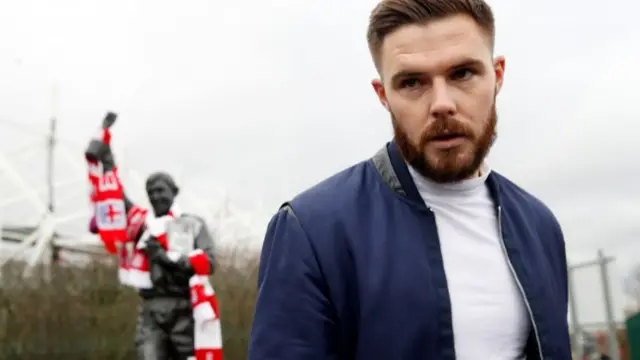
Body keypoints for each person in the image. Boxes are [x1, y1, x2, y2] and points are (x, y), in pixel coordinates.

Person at [248, 0, 571, 359]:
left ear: (498, 76)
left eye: (462, 73)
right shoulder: (310, 231)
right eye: (413, 82)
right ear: (383, 95)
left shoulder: (540, 227)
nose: (441, 103)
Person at [85, 117, 220, 360]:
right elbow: (115, 196)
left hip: (184, 308)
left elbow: (209, 261)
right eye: (151, 191)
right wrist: (105, 158)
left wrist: (169, 260)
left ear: (173, 192)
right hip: (151, 308)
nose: (156, 196)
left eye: (161, 190)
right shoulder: (141, 223)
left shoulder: (191, 224)